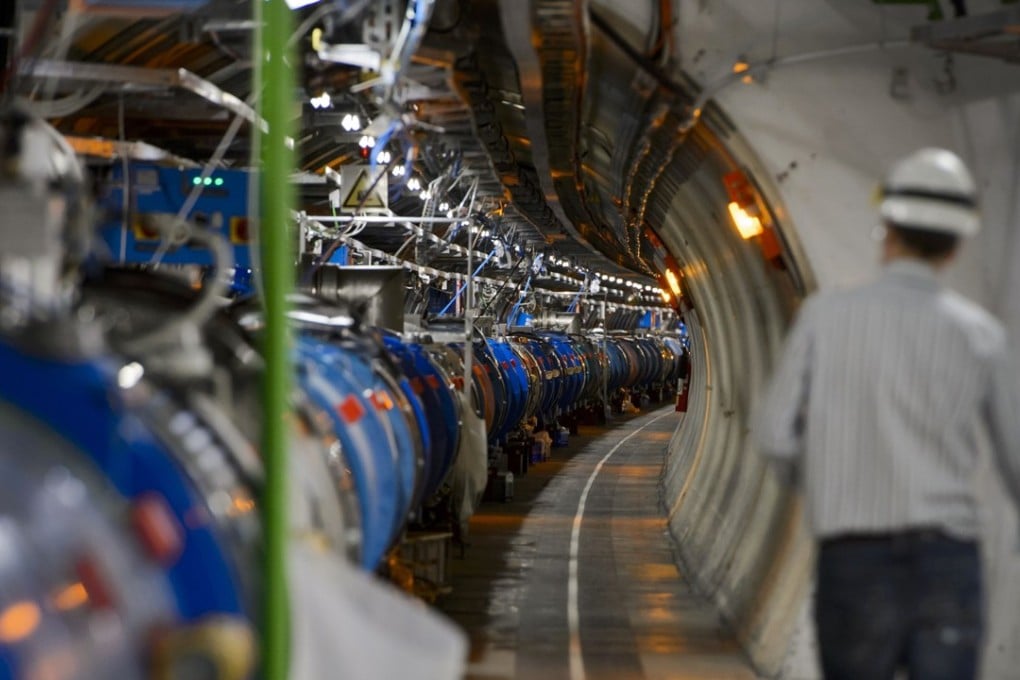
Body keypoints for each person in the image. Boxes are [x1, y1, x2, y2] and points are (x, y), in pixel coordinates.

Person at [754, 148, 1020, 680]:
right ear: (956, 244)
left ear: (888, 225)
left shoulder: (824, 318)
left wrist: (823, 485)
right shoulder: (981, 336)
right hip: (948, 560)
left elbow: (774, 434)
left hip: (854, 558)